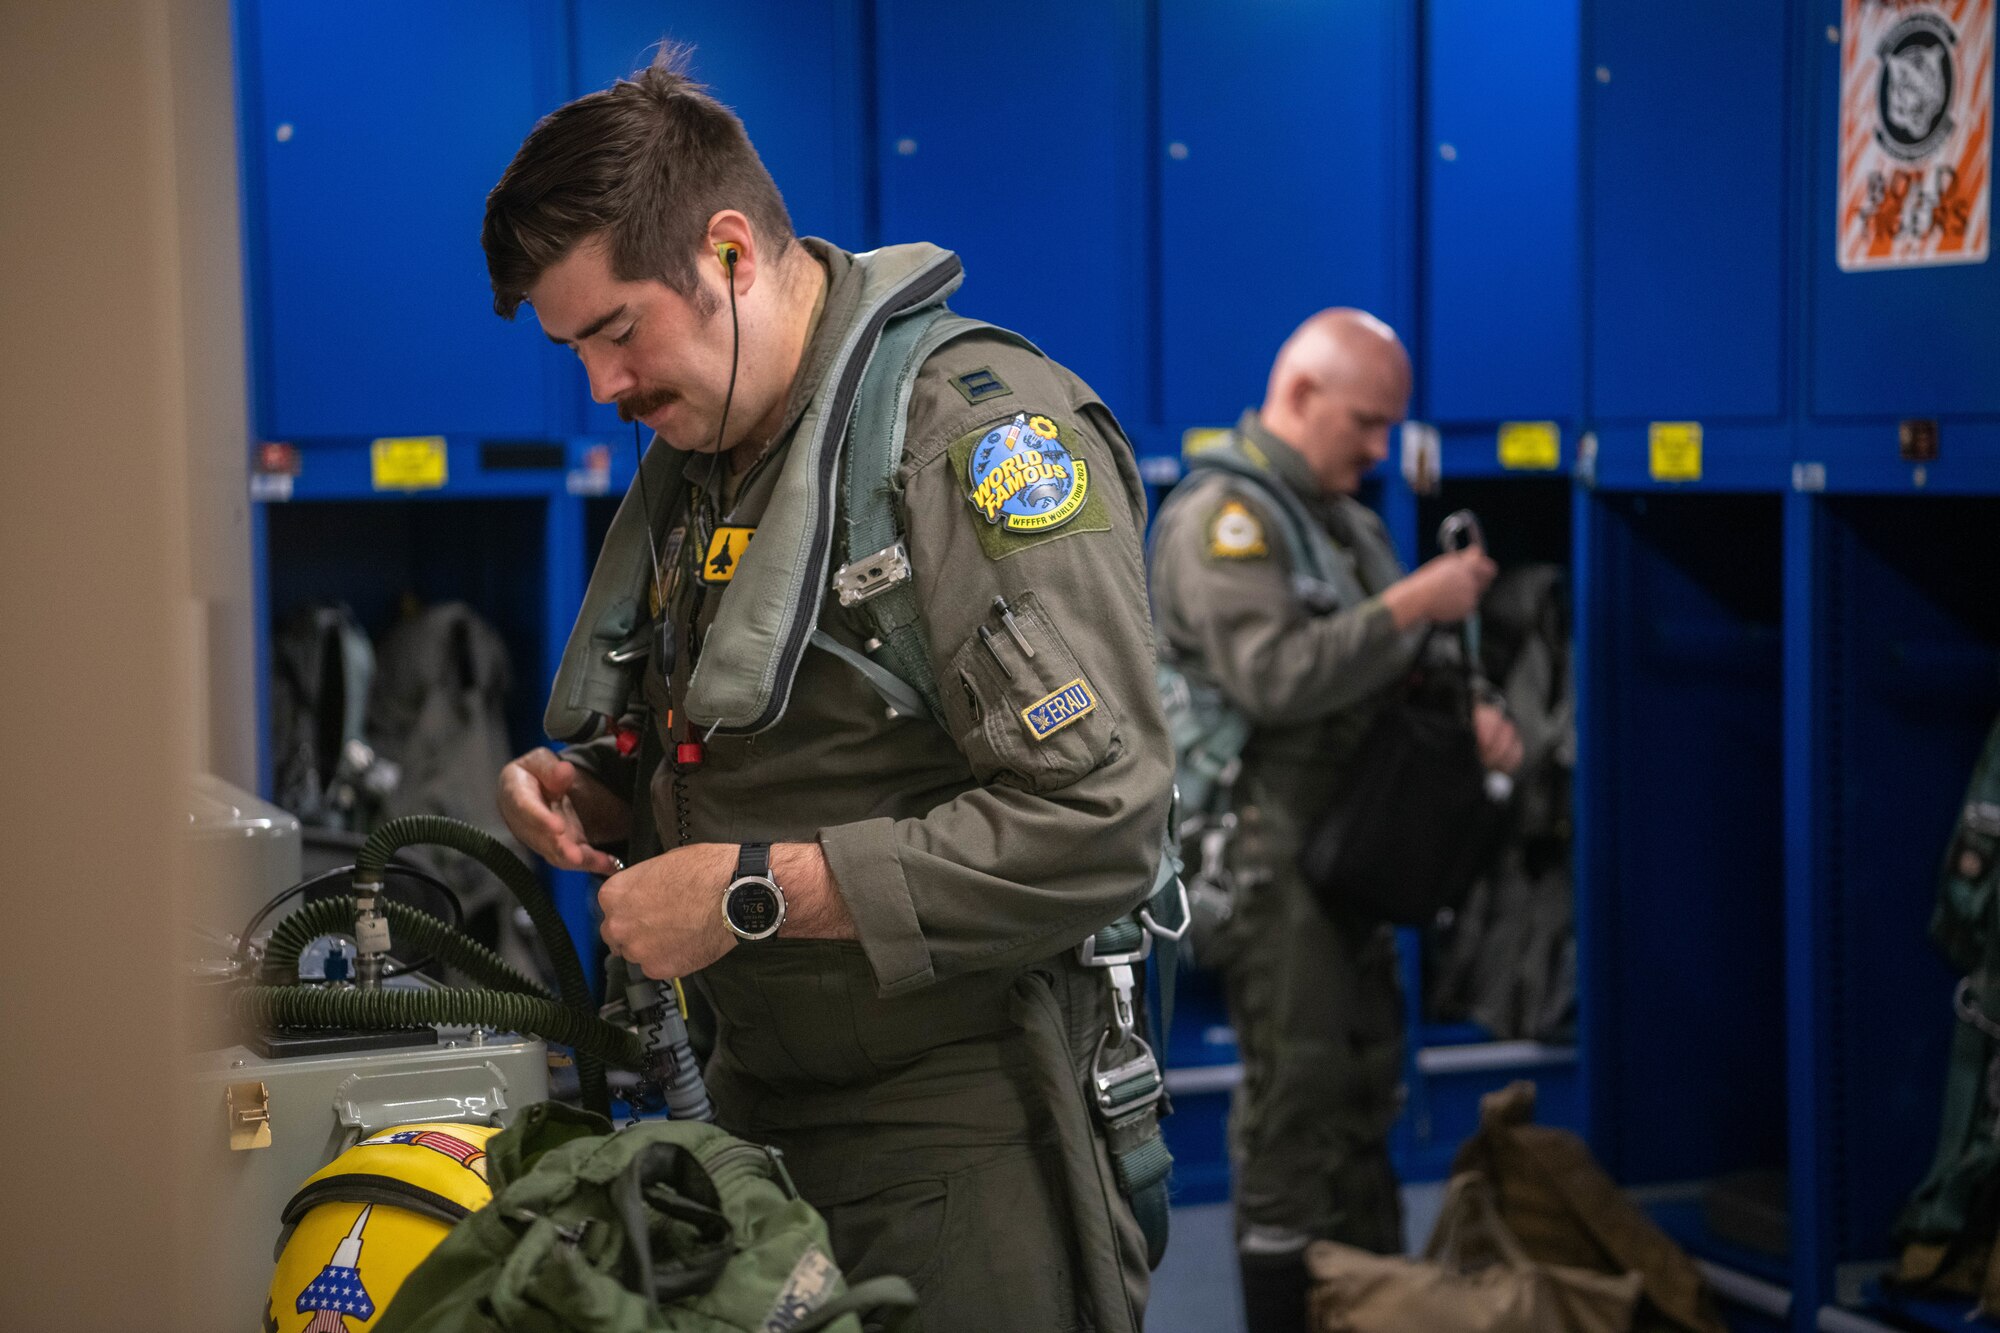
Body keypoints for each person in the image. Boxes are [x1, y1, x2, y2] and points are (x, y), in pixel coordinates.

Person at [485, 53, 1174, 1333]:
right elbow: (800, 752)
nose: (601, 388)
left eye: (616, 330)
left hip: (957, 1143)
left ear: (730, 253)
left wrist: (747, 893)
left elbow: (1103, 822)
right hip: (757, 1121)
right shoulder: (721, 460)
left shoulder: (967, 444)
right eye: (574, 348)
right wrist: (610, 799)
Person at [1148, 309, 1524, 1331]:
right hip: (1271, 861)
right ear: (1301, 393)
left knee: (1365, 1095)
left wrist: (1471, 711)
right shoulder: (1223, 518)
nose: (1378, 449)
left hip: (1354, 849)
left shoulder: (1343, 518)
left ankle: (1374, 1309)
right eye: (1365, 422)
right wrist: (1415, 605)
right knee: (1297, 1104)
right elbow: (1271, 675)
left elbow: (1387, 671)